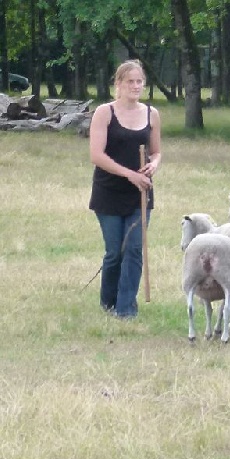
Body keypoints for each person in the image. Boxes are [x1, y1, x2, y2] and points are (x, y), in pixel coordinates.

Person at [89, 59, 162, 319]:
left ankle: (125, 310)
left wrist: (153, 165)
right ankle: (108, 303)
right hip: (108, 192)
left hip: (140, 192)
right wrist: (129, 174)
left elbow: (156, 152)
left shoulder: (151, 113)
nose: (135, 86)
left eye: (139, 81)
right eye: (129, 81)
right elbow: (96, 155)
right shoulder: (104, 112)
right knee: (114, 252)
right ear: (118, 84)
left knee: (133, 249)